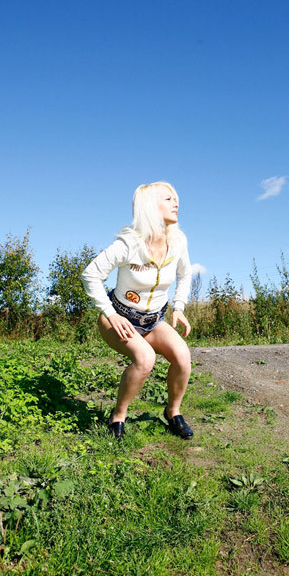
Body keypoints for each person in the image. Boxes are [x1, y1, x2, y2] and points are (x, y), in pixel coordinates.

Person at [81, 182, 193, 440]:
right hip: (120, 319)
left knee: (183, 357)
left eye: (176, 198)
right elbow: (91, 274)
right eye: (168, 199)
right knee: (144, 359)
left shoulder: (177, 241)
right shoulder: (129, 244)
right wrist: (110, 313)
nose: (176, 203)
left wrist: (179, 306)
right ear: (150, 206)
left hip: (153, 321)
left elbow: (185, 273)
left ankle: (173, 412)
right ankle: (118, 415)